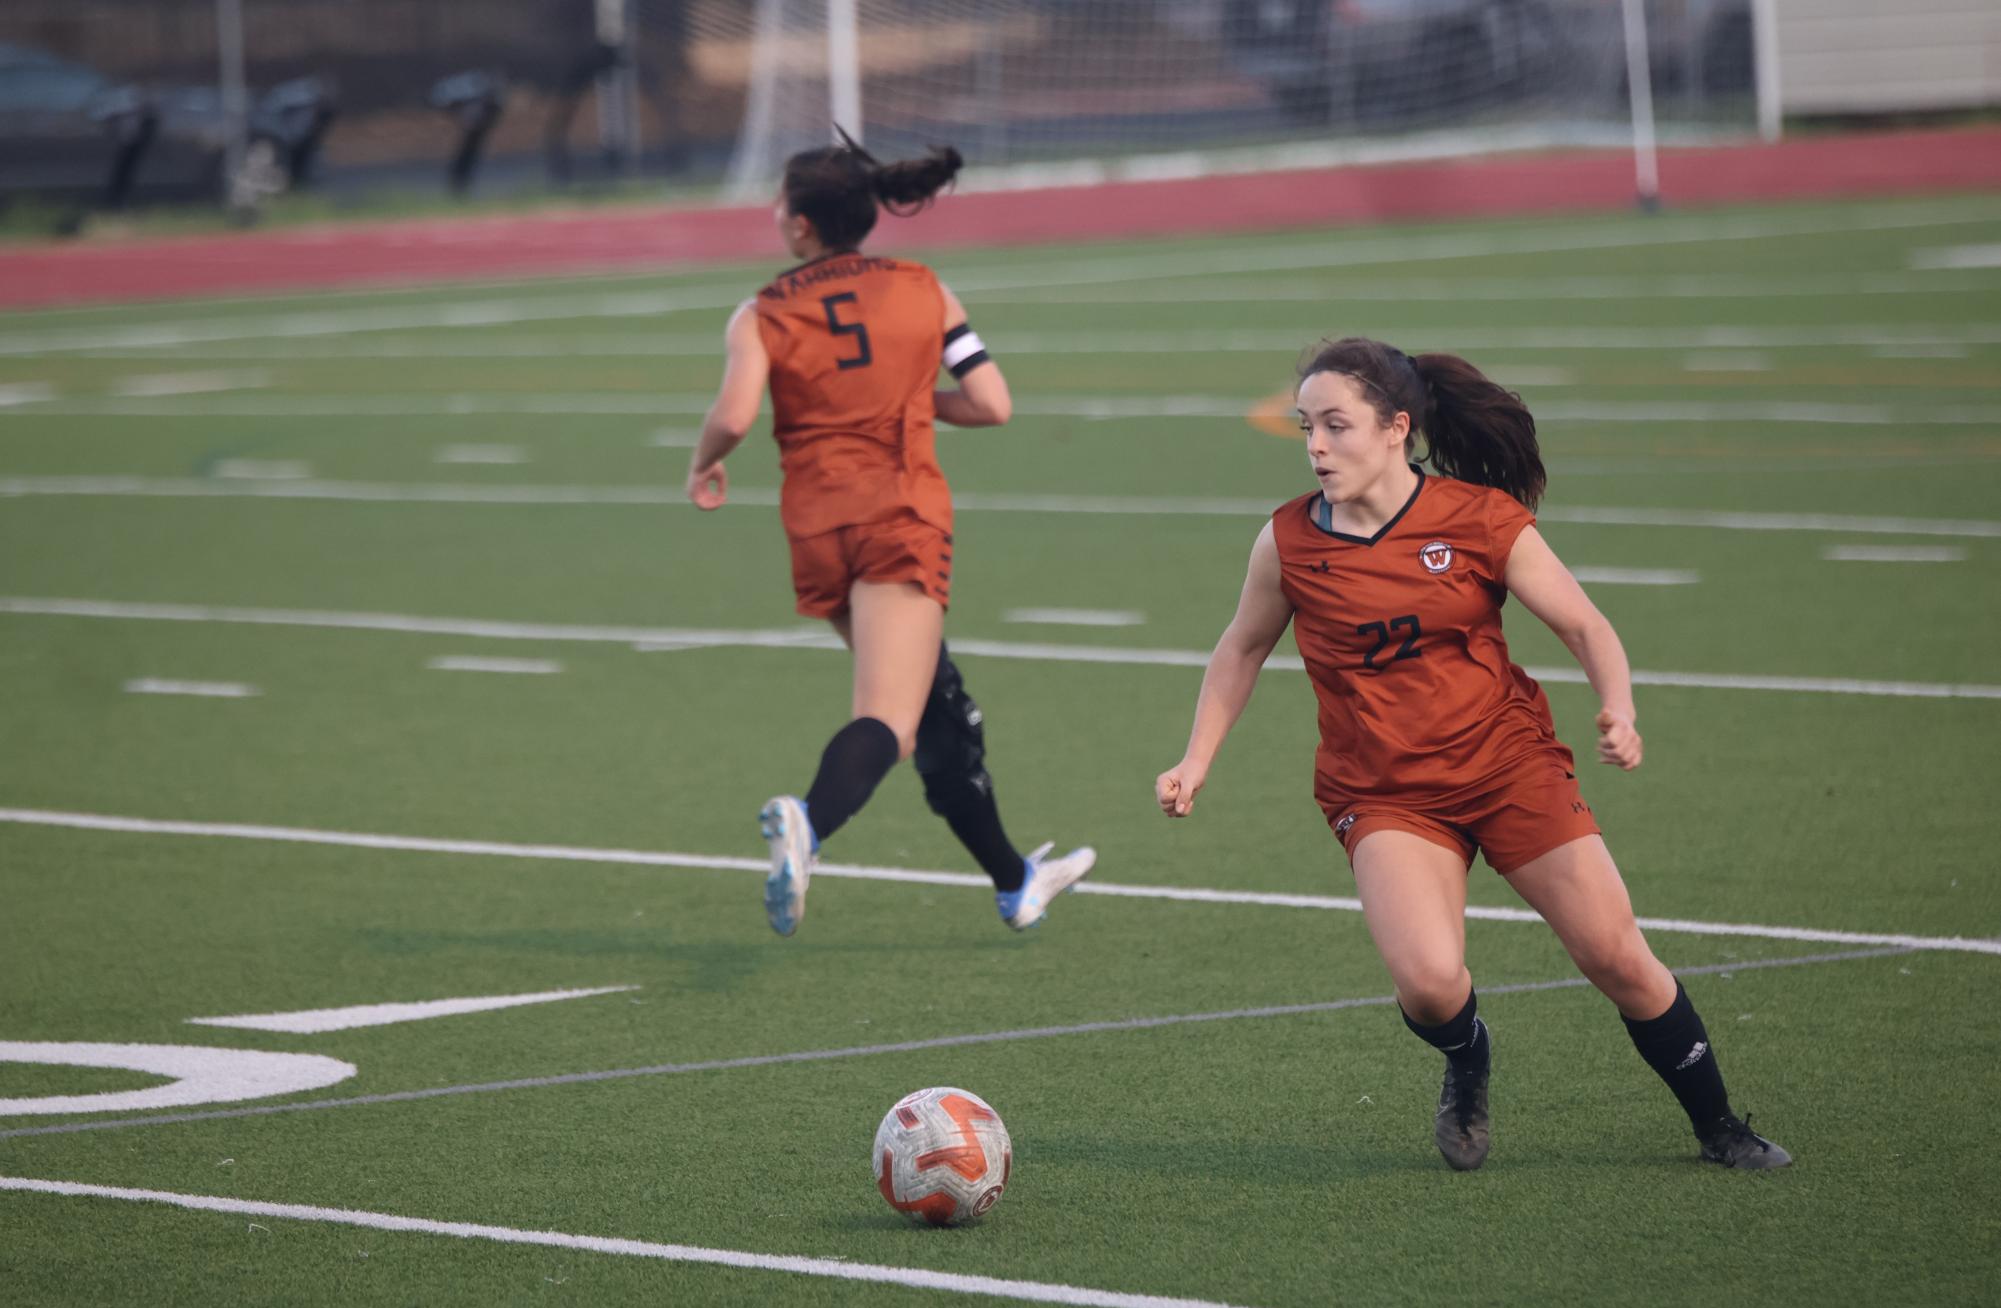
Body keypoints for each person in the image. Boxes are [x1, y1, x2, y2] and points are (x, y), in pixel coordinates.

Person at [1154, 337, 1789, 1172]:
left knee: (1615, 957)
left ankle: (1718, 1128)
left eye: (1335, 426)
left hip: (1507, 766)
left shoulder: (1477, 518)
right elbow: (1239, 650)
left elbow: (1583, 625)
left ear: (1395, 428)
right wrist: (1196, 759)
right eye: (1305, 426)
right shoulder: (1286, 543)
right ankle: (1467, 1053)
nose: (1313, 446)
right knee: (1428, 984)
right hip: (1384, 794)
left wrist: (1617, 706)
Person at [686, 130, 1095, 938]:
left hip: (814, 526)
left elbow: (734, 416)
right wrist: (908, 403)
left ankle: (1015, 880)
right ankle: (808, 823)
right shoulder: (923, 288)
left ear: (801, 224)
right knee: (890, 720)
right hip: (898, 519)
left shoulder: (761, 310)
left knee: (935, 704)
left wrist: (702, 466)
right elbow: (992, 404)